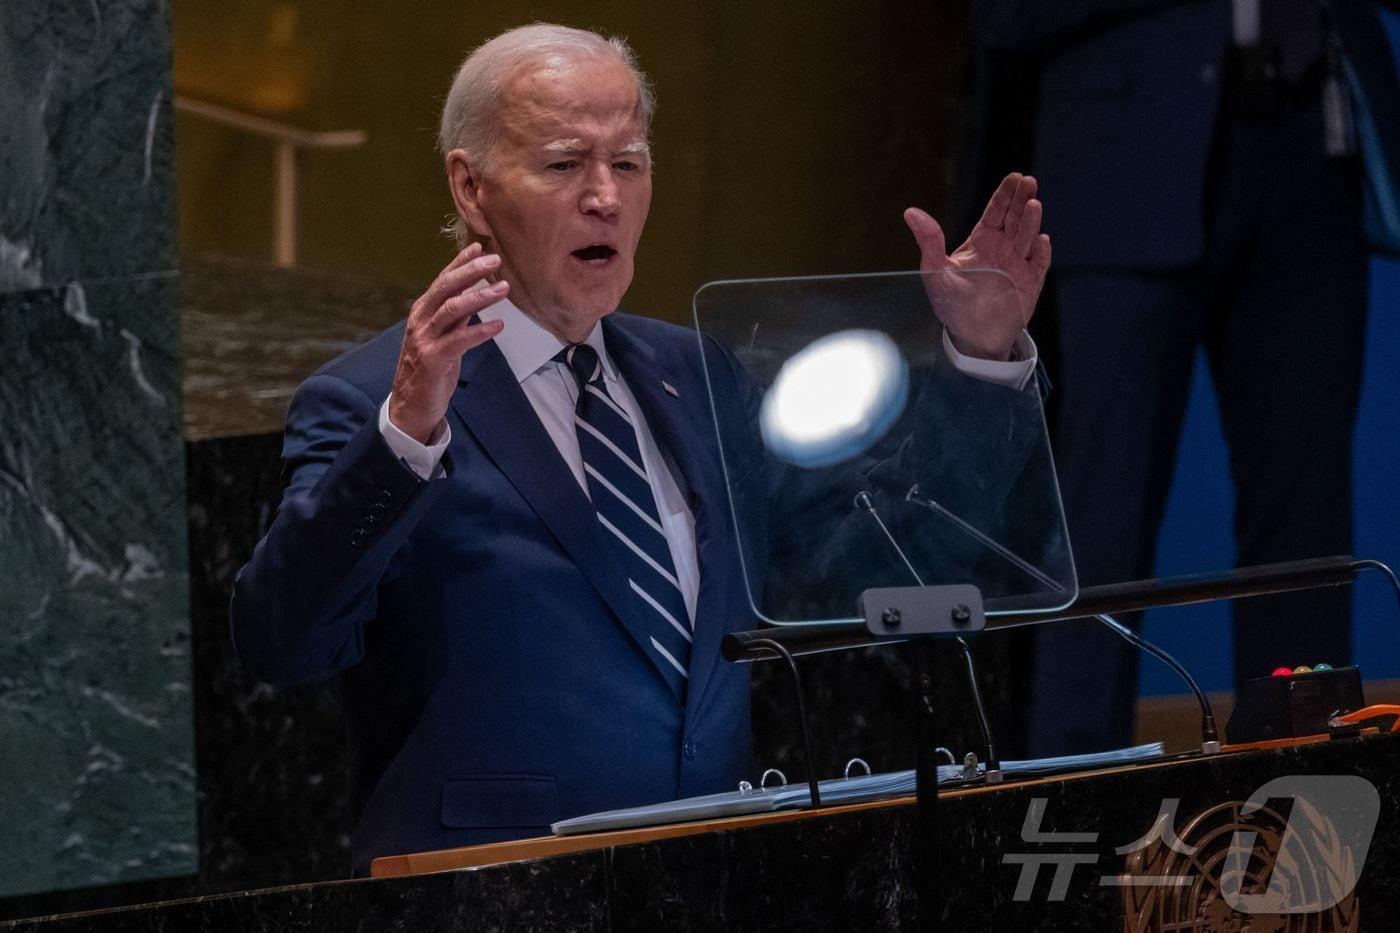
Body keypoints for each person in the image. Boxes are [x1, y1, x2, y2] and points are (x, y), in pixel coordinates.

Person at [230, 23, 1051, 873]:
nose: (606, 197)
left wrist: (982, 363)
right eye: (563, 164)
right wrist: (405, 436)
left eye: (628, 162)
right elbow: (284, 642)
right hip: (491, 893)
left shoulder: (696, 377)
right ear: (470, 189)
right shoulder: (375, 401)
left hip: (707, 877)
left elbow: (874, 559)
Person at [971, 1, 1400, 755]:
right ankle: (1072, 820)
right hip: (1123, 158)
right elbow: (1004, 16)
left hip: (1309, 154)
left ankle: (1303, 825)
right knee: (1102, 516)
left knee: (1304, 531)